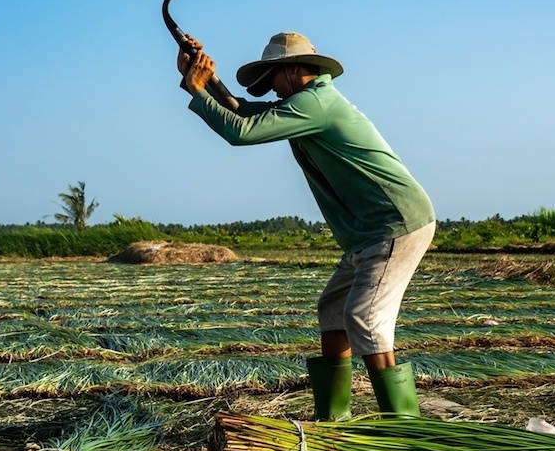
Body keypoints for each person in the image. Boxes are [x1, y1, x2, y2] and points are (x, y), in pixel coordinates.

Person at [178, 32, 435, 419]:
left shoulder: (315, 104)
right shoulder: (309, 102)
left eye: (273, 80)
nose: (272, 92)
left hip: (394, 223)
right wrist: (206, 77)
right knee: (333, 309)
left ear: (294, 69)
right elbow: (242, 110)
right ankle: (333, 419)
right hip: (367, 232)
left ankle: (404, 429)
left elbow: (240, 131)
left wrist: (198, 93)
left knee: (363, 317)